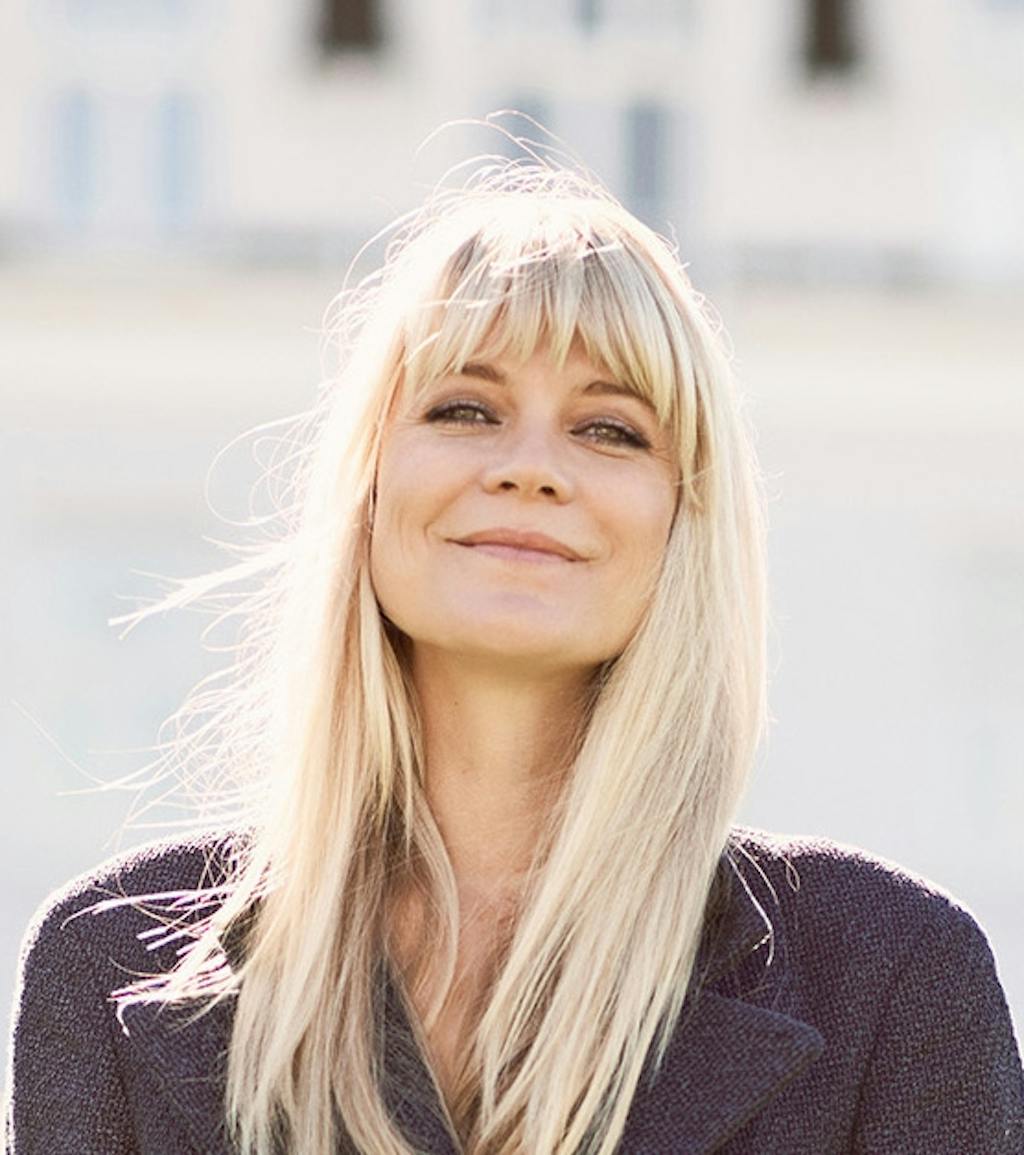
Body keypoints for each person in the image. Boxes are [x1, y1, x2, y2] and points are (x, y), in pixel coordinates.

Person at [4, 157, 1023, 1155]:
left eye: (609, 429)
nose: (531, 468)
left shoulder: (892, 982)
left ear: (684, 518)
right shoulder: (105, 967)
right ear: (369, 484)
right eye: (465, 409)